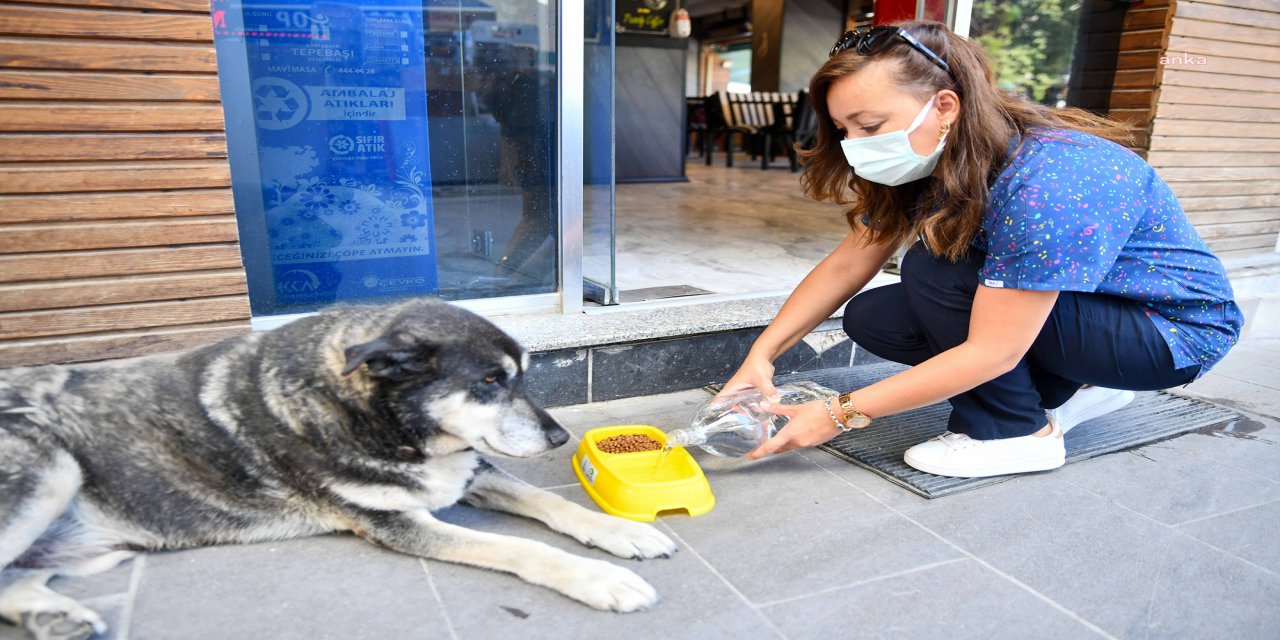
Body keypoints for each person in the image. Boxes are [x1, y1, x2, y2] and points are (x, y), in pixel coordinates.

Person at [722, 20, 1243, 478]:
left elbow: (996, 348)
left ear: (945, 105)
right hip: (1085, 313)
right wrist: (761, 354)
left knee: (934, 265)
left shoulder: (1048, 180)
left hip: (1168, 332)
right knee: (876, 316)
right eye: (845, 130)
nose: (856, 143)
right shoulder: (940, 156)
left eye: (871, 125)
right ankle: (1077, 387)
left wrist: (838, 412)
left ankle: (1015, 432)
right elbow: (849, 260)